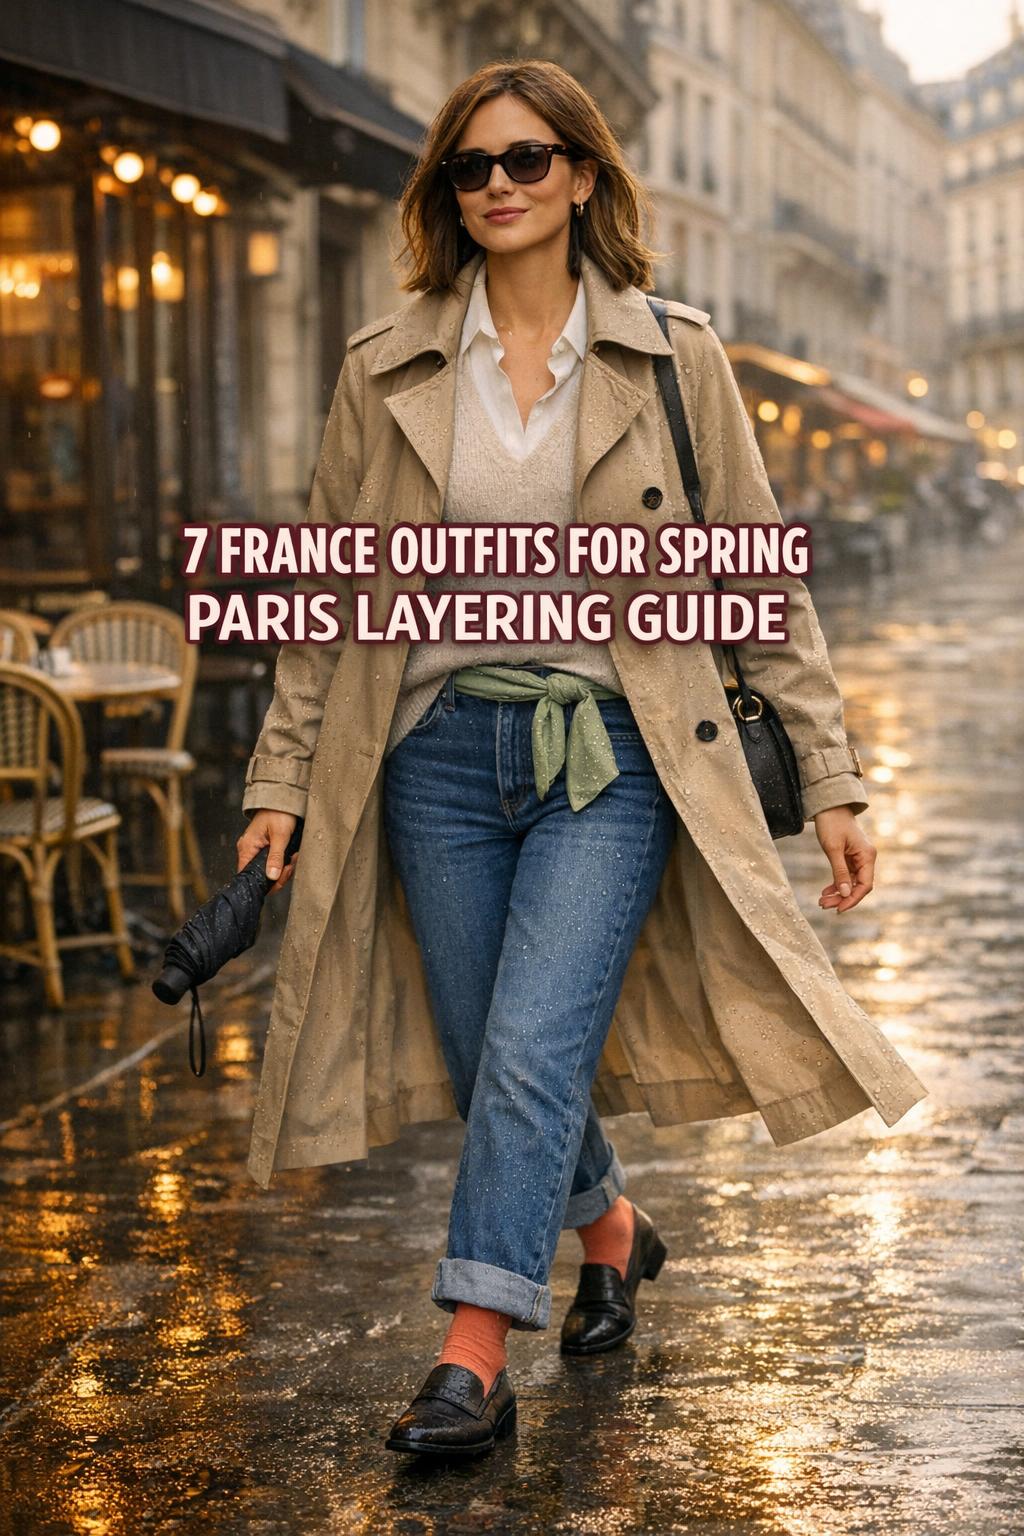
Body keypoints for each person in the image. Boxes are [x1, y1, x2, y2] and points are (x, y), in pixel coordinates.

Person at [236, 59, 927, 1459]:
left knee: (537, 1050)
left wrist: (834, 775)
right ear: (447, 192)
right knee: (507, 1051)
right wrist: (277, 781)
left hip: (610, 753)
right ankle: (611, 1225)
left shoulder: (679, 357)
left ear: (585, 178)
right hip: (432, 754)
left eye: (528, 160)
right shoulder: (386, 368)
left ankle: (470, 1352)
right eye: (471, 167)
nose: (498, 184)